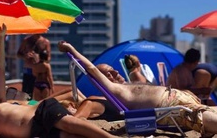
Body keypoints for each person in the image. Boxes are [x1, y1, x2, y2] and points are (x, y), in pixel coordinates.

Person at [0, 24, 116, 138]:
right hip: (38, 131)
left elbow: (1, 71)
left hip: (42, 111)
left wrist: (0, 41)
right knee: (68, 135)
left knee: (70, 125)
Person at [58, 41, 217, 136]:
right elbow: (91, 69)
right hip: (175, 109)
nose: (116, 72)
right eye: (109, 73)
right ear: (101, 81)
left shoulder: (128, 84)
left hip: (183, 99)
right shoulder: (115, 90)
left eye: (114, 70)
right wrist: (72, 50)